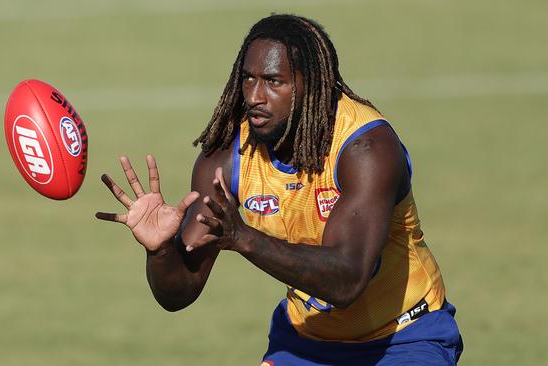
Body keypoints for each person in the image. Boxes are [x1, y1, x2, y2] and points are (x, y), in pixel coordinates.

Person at [96, 14, 463, 365]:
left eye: (273, 81)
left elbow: (346, 280)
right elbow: (179, 293)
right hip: (304, 345)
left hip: (403, 339)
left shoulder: (366, 149)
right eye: (248, 79)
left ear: (312, 84)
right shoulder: (226, 158)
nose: (255, 95)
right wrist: (160, 250)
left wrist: (243, 237)